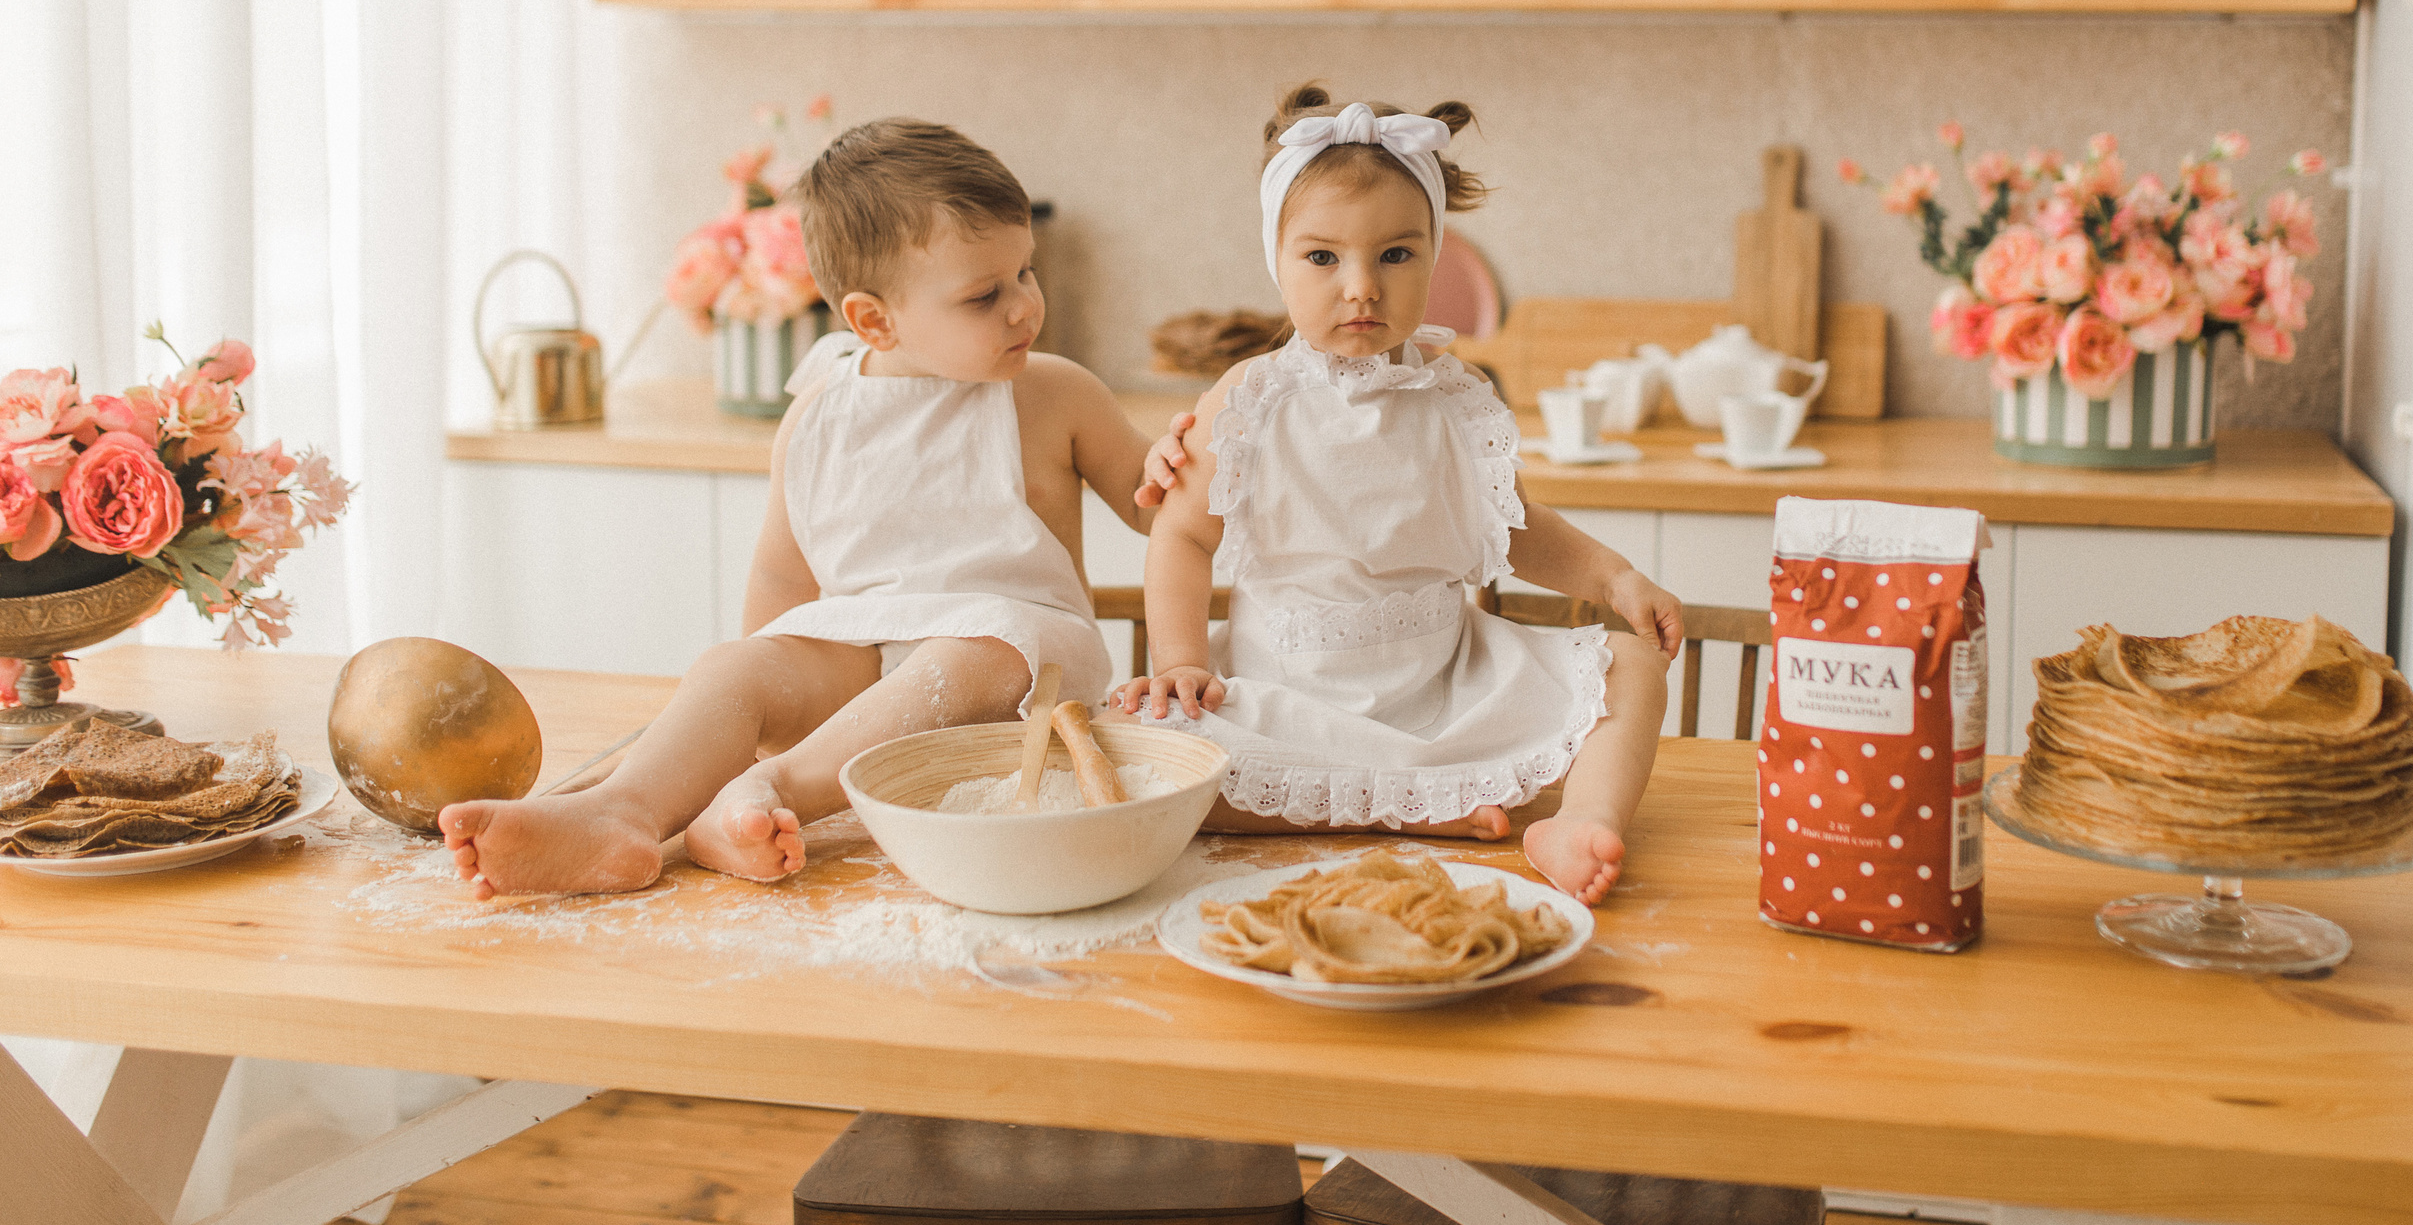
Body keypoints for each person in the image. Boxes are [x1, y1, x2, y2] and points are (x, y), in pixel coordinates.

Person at [442, 118, 1162, 897]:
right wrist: (761, 683)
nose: (1026, 306)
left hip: (1016, 671)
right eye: (986, 294)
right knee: (733, 665)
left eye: (1025, 271)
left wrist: (1182, 461)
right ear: (873, 320)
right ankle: (622, 811)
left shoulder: (1052, 393)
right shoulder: (820, 415)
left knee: (969, 653)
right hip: (860, 675)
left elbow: (1155, 504)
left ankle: (773, 790)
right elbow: (783, 580)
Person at [1110, 85, 1680, 905]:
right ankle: (1417, 810)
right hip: (1290, 691)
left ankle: (1581, 820)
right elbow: (1182, 538)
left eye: (1395, 256)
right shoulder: (1249, 397)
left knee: (1631, 664)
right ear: (1275, 259)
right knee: (1144, 749)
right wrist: (1181, 663)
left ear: (1435, 257)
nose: (1361, 287)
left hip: (1445, 684)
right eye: (1322, 258)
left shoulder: (1456, 397)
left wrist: (1612, 577)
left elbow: (1512, 527)